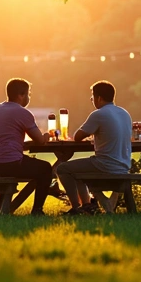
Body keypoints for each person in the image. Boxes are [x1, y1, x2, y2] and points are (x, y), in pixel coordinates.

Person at [0, 78, 56, 215]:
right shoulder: (23, 113)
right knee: (45, 168)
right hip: (10, 164)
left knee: (8, 169)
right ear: (21, 95)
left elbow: (0, 137)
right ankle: (37, 210)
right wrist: (47, 135)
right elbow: (39, 140)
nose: (29, 98)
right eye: (28, 94)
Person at [57, 81, 133, 215]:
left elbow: (77, 136)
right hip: (124, 165)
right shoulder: (124, 113)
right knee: (78, 169)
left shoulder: (99, 114)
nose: (92, 101)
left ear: (98, 98)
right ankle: (87, 206)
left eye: (92, 97)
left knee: (62, 169)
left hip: (105, 165)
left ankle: (77, 207)